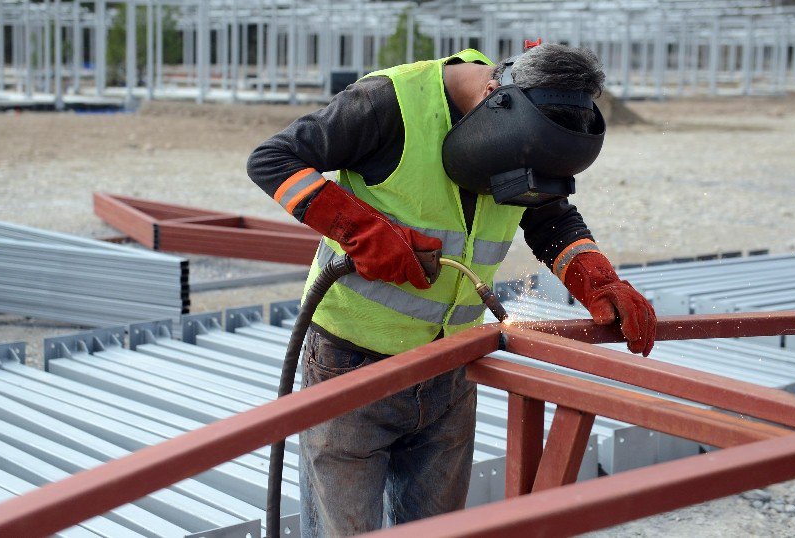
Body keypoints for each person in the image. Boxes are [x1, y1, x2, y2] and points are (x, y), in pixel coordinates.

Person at [247, 42, 656, 536]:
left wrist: (598, 280)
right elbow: (273, 158)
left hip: (450, 370)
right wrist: (364, 231)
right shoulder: (389, 102)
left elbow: (549, 216)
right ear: (493, 96)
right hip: (351, 366)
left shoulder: (527, 136)